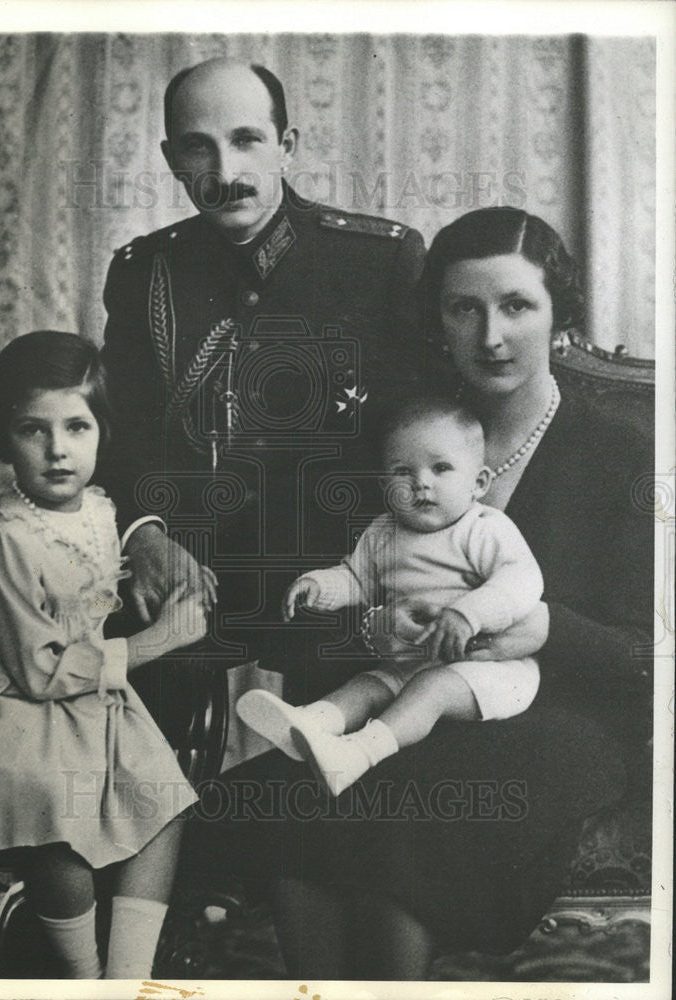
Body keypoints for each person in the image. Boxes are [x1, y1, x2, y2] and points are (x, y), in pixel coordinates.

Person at [185, 206, 653, 979]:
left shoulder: (616, 450)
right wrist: (374, 624)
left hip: (556, 718)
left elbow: (644, 654)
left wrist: (544, 628)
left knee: (404, 814)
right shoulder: (399, 437)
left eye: (515, 307)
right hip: (400, 695)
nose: (490, 337)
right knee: (301, 801)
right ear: (436, 319)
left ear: (558, 317)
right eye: (463, 309)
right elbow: (320, 601)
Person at [98, 57, 427, 711]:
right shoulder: (144, 272)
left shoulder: (379, 260)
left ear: (286, 145)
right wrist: (145, 536)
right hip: (188, 584)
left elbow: (425, 433)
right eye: (199, 147)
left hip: (337, 586)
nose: (224, 174)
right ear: (170, 159)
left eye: (246, 140)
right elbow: (118, 430)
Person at [0, 331, 208, 980]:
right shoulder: (6, 539)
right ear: (2, 441)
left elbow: (89, 602)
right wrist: (159, 639)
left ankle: (127, 979)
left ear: (102, 433)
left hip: (81, 689)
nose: (57, 450)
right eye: (31, 430)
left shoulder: (99, 510)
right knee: (57, 815)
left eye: (76, 426)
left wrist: (174, 595)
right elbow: (39, 671)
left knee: (168, 804)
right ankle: (83, 978)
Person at [236, 394, 543, 796]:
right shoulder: (383, 533)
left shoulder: (483, 527)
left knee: (428, 691)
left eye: (441, 468)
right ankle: (309, 726)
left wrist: (467, 615)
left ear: (480, 482)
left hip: (489, 670)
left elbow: (522, 579)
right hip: (413, 661)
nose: (421, 483)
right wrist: (318, 586)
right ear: (385, 485)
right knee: (366, 685)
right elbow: (355, 578)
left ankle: (358, 752)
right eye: (403, 471)